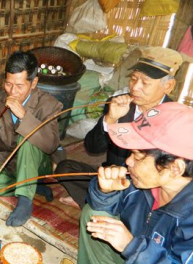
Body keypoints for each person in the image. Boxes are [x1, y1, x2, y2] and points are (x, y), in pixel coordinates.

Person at [55, 47, 183, 209]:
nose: (135, 87)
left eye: (145, 82)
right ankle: (102, 203)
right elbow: (92, 148)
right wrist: (111, 119)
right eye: (133, 79)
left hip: (146, 185)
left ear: (168, 86)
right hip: (112, 175)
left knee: (147, 200)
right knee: (65, 169)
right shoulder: (119, 104)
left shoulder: (174, 117)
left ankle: (97, 203)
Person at [78, 102, 193, 264]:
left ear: (174, 168)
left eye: (138, 156)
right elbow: (101, 207)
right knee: (93, 215)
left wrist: (131, 246)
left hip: (142, 255)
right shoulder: (140, 183)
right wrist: (107, 193)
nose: (128, 161)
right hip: (135, 256)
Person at [0, 51, 63, 227]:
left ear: (34, 83)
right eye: (8, 84)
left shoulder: (49, 104)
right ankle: (30, 186)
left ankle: (24, 200)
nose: (12, 91)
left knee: (27, 137)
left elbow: (51, 144)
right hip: (10, 163)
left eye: (19, 86)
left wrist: (23, 115)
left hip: (38, 162)